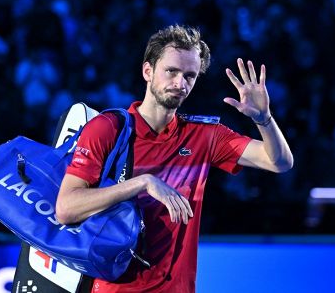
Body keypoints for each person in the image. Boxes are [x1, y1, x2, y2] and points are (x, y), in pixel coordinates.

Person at [55, 24, 294, 292]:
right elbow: (66, 208)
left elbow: (279, 162)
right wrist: (142, 183)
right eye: (172, 71)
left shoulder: (205, 136)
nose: (180, 84)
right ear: (148, 71)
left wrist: (264, 119)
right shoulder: (108, 128)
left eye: (189, 76)